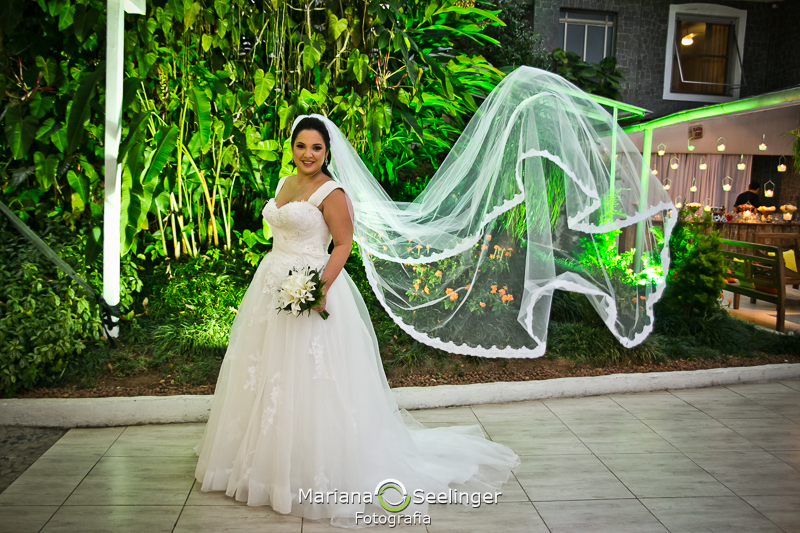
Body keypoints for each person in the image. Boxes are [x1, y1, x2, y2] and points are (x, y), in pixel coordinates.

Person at [193, 116, 520, 528]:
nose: (308, 154)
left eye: (316, 147)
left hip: (312, 285)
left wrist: (319, 288)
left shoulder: (332, 192)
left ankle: (309, 471)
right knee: (263, 372)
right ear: (291, 148)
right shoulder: (283, 183)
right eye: (301, 146)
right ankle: (257, 464)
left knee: (310, 379)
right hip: (271, 287)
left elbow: (343, 244)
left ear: (327, 151)